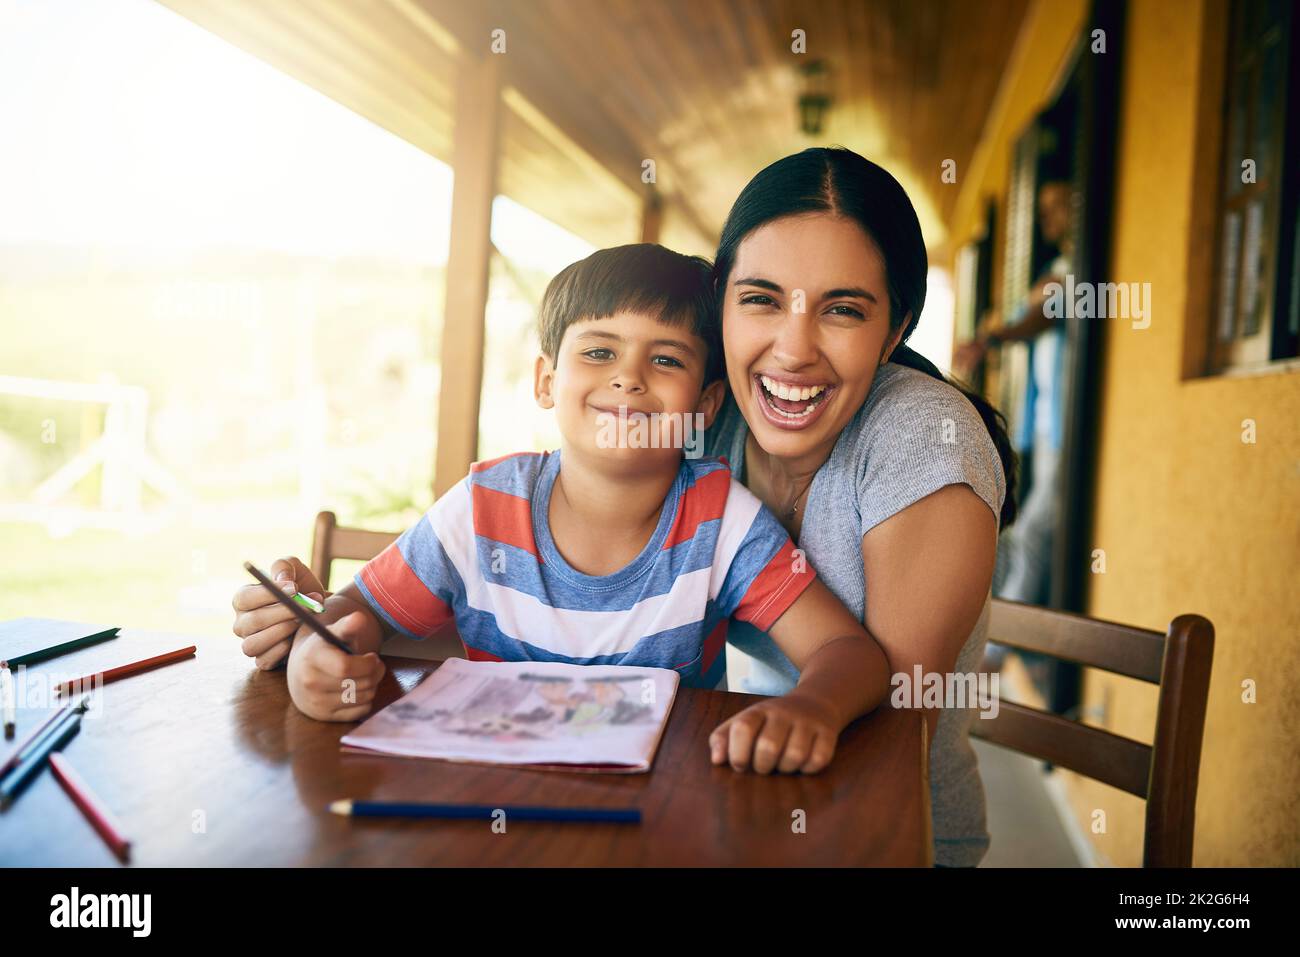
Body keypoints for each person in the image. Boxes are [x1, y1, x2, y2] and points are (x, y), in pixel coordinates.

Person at [231, 243, 893, 776]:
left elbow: (849, 653)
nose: (628, 377)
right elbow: (356, 619)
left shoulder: (721, 521)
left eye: (665, 359)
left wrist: (813, 705)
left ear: (706, 405)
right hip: (485, 804)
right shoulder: (484, 506)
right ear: (548, 381)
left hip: (662, 816)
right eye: (599, 351)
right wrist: (318, 655)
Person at [702, 147, 1017, 866]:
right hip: (738, 803)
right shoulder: (705, 418)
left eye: (842, 309)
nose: (793, 349)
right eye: (761, 298)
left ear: (894, 332)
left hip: (893, 835)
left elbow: (895, 731)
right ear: (721, 299)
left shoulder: (922, 439)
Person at [954, 179, 1073, 606]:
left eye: (1054, 206)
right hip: (1042, 427)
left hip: (1065, 429)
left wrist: (992, 335)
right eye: (1040, 210)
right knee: (1017, 526)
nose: (1044, 220)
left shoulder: (1076, 273)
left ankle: (1004, 647)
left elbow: (1043, 311)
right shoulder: (1056, 268)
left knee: (1036, 529)